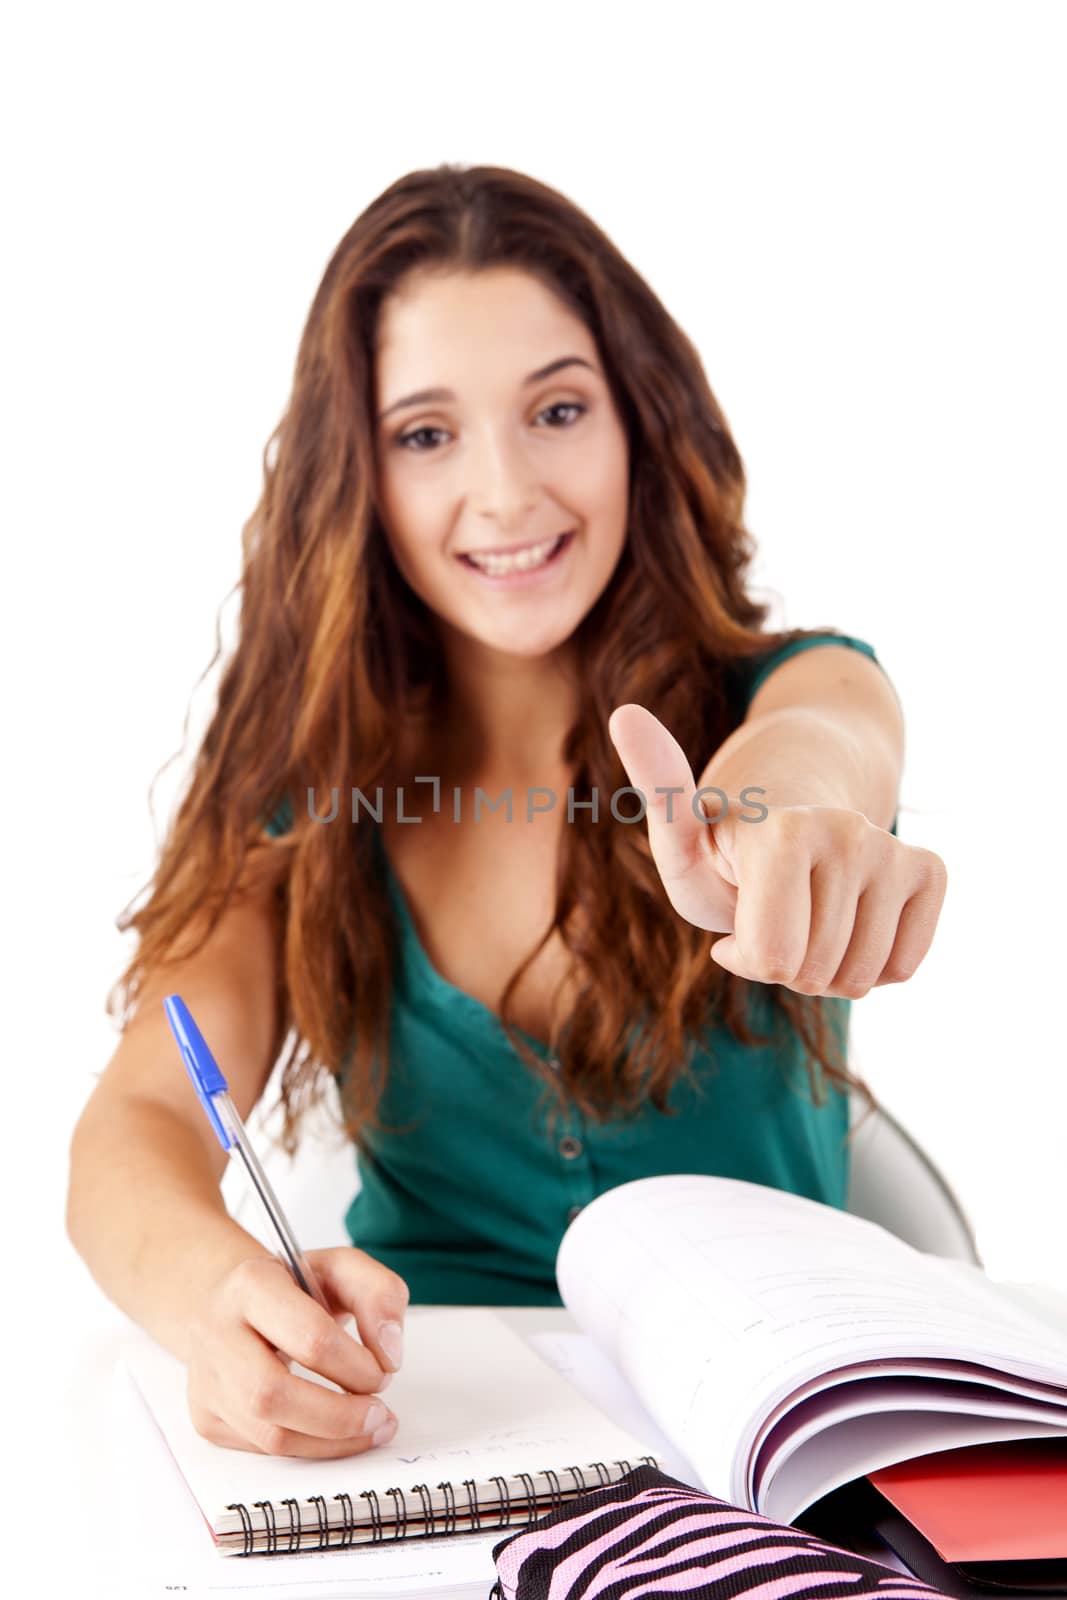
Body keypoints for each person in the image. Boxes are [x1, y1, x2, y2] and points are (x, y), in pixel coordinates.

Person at [66, 163, 946, 1462]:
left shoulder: (796, 685)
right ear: (355, 476)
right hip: (426, 1449)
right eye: (428, 433)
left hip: (776, 1445)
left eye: (558, 409)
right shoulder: (312, 803)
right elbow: (137, 1121)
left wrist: (789, 827)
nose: (507, 493)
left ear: (639, 421)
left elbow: (817, 753)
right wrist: (216, 1307)